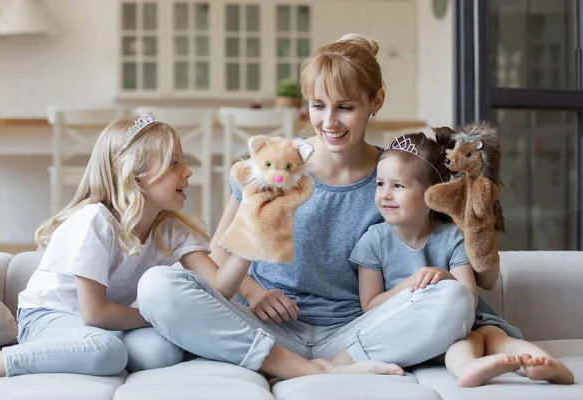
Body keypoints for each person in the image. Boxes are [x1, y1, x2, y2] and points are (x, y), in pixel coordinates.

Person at [136, 34, 476, 380]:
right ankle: (305, 369)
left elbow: (432, 255)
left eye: (345, 107)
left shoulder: (395, 177)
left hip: (355, 333)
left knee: (455, 298)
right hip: (264, 329)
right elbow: (219, 260)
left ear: (377, 101)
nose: (329, 122)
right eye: (317, 105)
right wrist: (253, 293)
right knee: (156, 287)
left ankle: (335, 366)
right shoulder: (274, 165)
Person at [0, 114, 251, 381]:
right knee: (106, 351)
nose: (187, 171)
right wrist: (164, 314)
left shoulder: (170, 228)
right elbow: (95, 313)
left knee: (162, 353)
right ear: (133, 172)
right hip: (49, 316)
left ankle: (87, 353)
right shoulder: (95, 221)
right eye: (173, 163)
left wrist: (255, 233)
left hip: (100, 324)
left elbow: (220, 288)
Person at [353, 131, 574, 387]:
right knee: (467, 341)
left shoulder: (451, 237)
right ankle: (470, 366)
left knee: (492, 335)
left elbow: (469, 299)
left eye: (398, 186)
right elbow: (369, 305)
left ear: (432, 194)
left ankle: (544, 365)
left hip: (468, 321)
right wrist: (409, 284)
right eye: (380, 184)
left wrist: (446, 276)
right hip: (414, 329)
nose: (385, 194)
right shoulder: (373, 240)